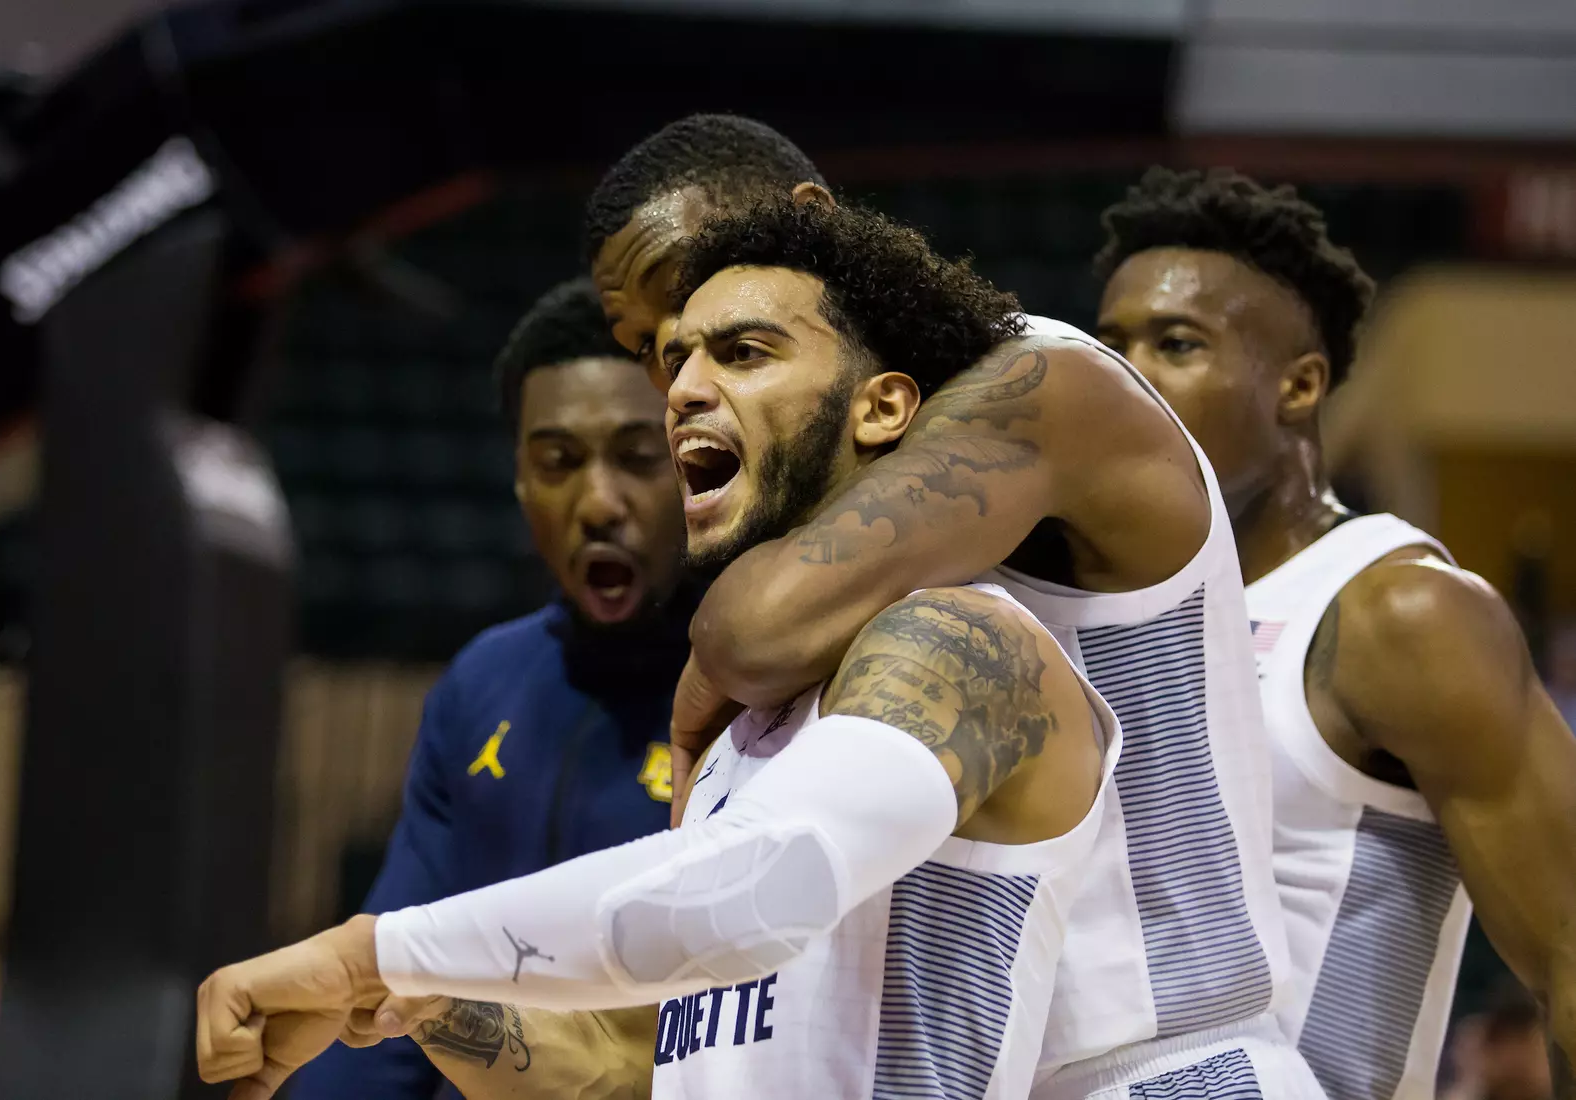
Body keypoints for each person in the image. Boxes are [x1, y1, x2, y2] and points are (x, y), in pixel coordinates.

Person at [196, 200, 1125, 1100]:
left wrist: (370, 951)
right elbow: (605, 1072)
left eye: (744, 353)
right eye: (677, 358)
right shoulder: (743, 723)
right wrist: (417, 995)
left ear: (880, 408)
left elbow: (757, 890)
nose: (681, 389)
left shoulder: (961, 642)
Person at [591, 116, 1316, 1096]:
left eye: (695, 296)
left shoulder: (1039, 378)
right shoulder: (833, 469)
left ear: (809, 223)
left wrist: (701, 678)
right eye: (647, 344)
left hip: (1162, 1062)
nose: (679, 368)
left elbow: (745, 632)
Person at [1092, 167, 1576, 1100]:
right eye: (1112, 347)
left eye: (1177, 343)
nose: (1130, 380)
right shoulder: (1089, 606)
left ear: (1299, 386)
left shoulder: (1399, 612)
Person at [288, 279, 690, 1100]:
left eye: (639, 457)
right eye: (558, 463)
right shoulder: (482, 683)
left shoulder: (760, 698)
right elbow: (394, 981)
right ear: (518, 482)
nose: (598, 502)